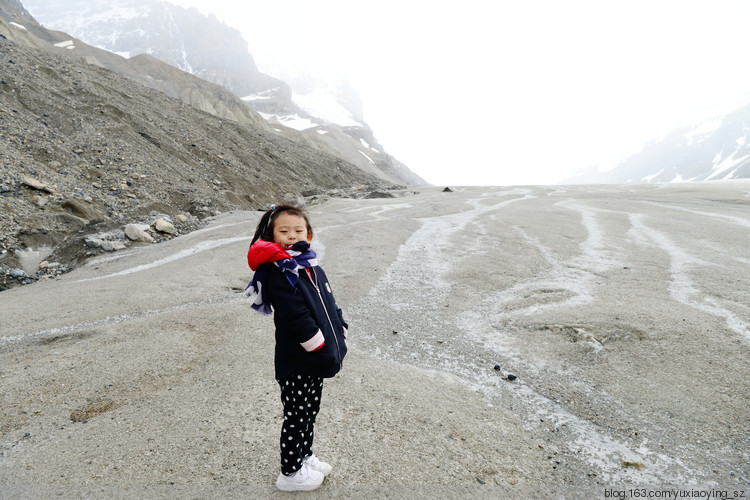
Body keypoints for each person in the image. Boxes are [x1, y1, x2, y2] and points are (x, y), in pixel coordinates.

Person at [245, 203, 348, 492]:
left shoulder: (311, 266)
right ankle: (289, 473)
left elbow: (328, 302)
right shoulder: (280, 272)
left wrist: (340, 326)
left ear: (309, 235)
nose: (292, 235)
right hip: (298, 360)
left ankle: (304, 456)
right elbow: (296, 316)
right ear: (272, 235)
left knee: (310, 411)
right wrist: (320, 346)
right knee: (296, 414)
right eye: (284, 231)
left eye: (298, 230)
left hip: (314, 358)